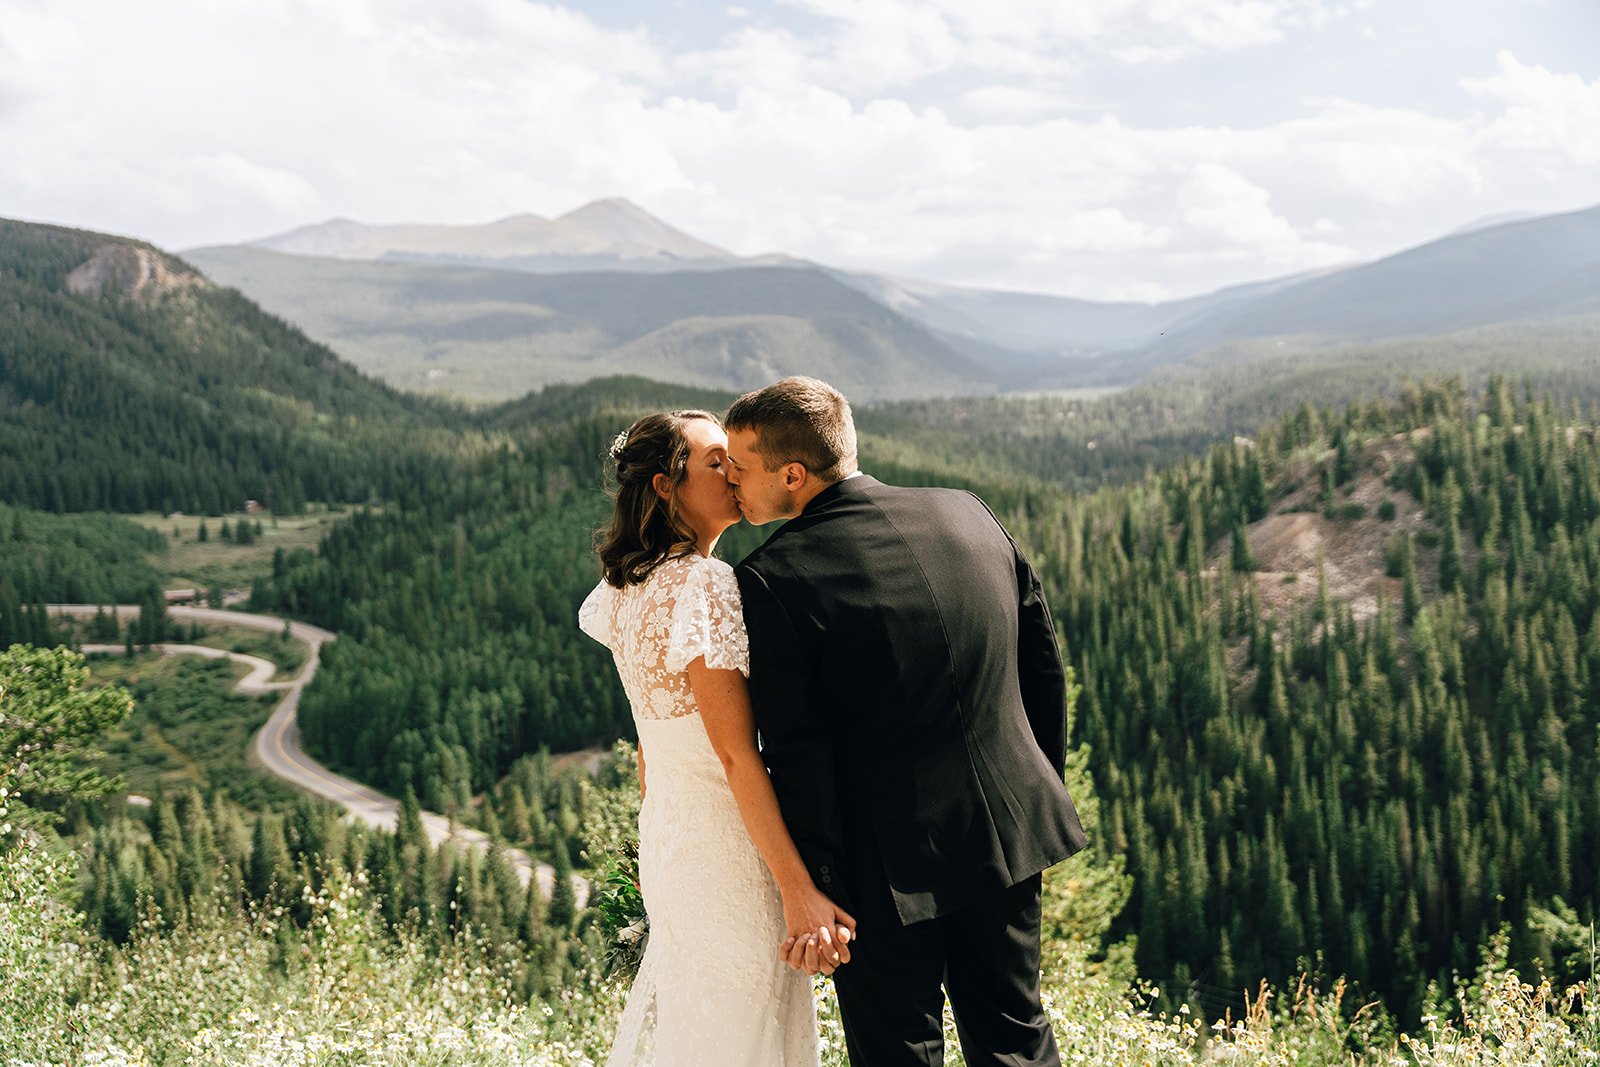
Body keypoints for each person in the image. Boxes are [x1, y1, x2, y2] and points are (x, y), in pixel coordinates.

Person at [724, 377, 1088, 1067]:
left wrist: (818, 885)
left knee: (899, 1053)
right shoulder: (969, 513)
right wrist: (1033, 803)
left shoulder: (773, 576)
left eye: (740, 468)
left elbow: (800, 751)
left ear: (793, 474)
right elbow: (1043, 669)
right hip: (1005, 836)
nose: (732, 483)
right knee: (1015, 1037)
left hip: (881, 871)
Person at [577, 408, 852, 1066]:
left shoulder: (625, 588)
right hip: (730, 851)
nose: (732, 472)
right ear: (666, 486)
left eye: (733, 459)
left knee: (704, 1030)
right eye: (713, 462)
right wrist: (797, 888)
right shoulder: (704, 584)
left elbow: (652, 748)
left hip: (673, 843)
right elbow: (734, 754)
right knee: (745, 1031)